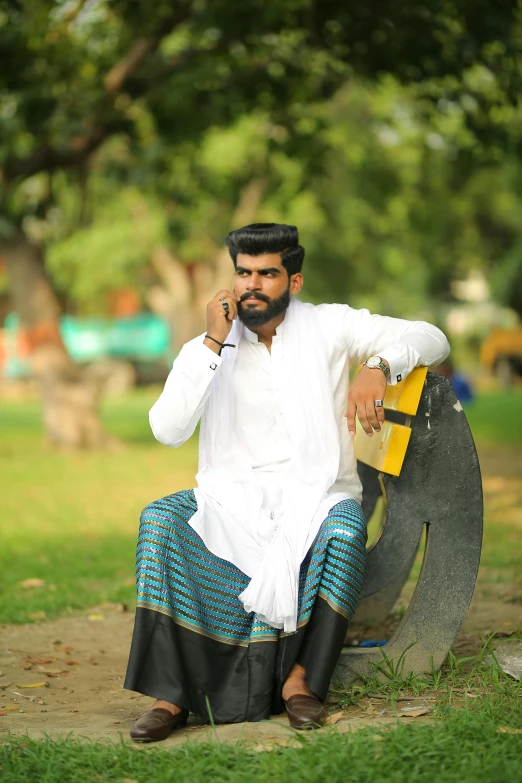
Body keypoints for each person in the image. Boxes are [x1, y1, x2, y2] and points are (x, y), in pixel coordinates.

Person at [124, 223, 450, 741]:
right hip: (232, 504)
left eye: (267, 274)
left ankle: (300, 682)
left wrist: (379, 365)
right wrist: (212, 341)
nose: (252, 285)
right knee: (160, 519)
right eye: (243, 273)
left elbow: (431, 336)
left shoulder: (330, 326)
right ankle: (173, 694)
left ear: (293, 282)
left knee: (344, 529)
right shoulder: (209, 346)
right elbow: (167, 430)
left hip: (315, 500)